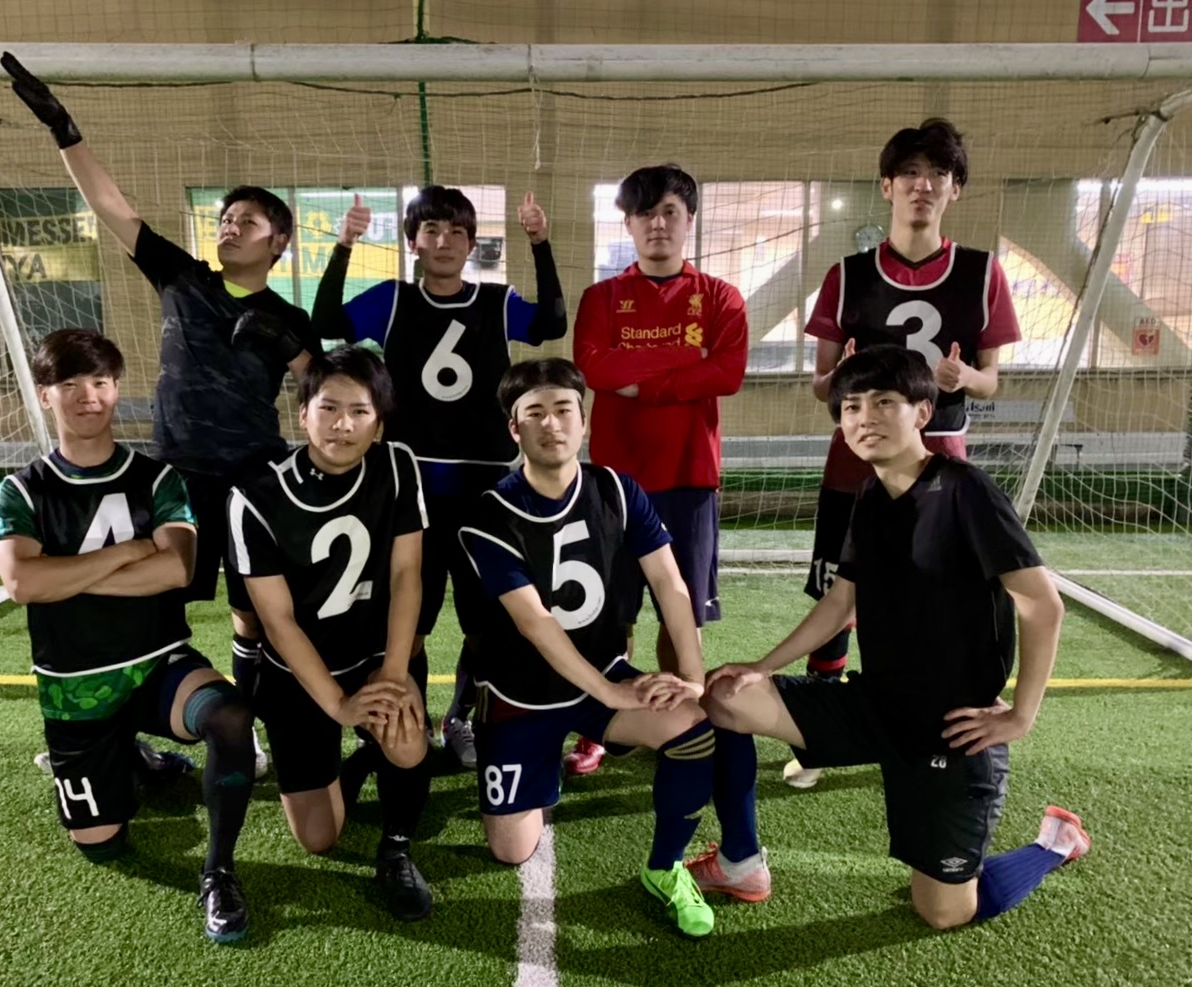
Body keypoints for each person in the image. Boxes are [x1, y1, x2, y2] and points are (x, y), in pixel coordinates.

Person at [3, 53, 320, 777]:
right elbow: (113, 208)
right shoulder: (183, 276)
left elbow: (322, 396)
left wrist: (297, 352)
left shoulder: (290, 317)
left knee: (256, 613)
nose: (230, 227)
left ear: (278, 242)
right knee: (149, 602)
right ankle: (116, 736)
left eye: (247, 221)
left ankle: (248, 734)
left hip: (254, 478)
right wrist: (63, 128)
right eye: (226, 218)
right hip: (174, 475)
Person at [704, 345, 1089, 931]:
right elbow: (841, 602)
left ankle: (1055, 843)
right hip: (875, 705)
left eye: (885, 402)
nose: (866, 418)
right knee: (726, 695)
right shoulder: (869, 496)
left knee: (943, 913)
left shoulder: (964, 489)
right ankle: (740, 861)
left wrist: (1021, 715)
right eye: (852, 406)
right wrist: (763, 665)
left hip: (951, 729)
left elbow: (1042, 605)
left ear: (923, 412)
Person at [458, 358, 767, 939]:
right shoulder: (488, 514)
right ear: (514, 428)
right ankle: (540, 761)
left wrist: (692, 674)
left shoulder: (618, 491)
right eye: (534, 413)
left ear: (584, 421)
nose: (552, 423)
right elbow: (535, 622)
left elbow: (671, 583)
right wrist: (610, 692)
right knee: (511, 851)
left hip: (601, 675)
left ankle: (664, 867)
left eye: (563, 409)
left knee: (695, 725)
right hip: (520, 697)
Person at [0, 330, 256, 943]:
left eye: (101, 382)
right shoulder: (21, 491)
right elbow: (23, 583)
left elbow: (177, 569)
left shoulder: (158, 480)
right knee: (100, 846)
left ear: (116, 389)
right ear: (45, 395)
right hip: (76, 687)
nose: (88, 396)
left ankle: (218, 872)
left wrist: (65, 577)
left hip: (158, 665)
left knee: (231, 717)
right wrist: (129, 552)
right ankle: (128, 755)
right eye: (70, 384)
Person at [791, 118, 1022, 788]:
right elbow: (820, 384)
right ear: (887, 185)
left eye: (938, 175)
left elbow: (991, 379)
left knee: (934, 599)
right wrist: (839, 379)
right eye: (910, 174)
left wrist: (964, 377)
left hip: (939, 461)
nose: (923, 186)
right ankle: (821, 731)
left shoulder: (981, 272)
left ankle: (933, 724)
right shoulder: (846, 274)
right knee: (836, 591)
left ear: (955, 189)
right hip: (854, 463)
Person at [313, 186, 566, 770]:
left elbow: (551, 322)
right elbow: (326, 322)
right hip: (412, 489)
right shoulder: (394, 299)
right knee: (409, 620)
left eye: (456, 232)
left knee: (488, 620)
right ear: (413, 243)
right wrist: (344, 244)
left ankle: (463, 717)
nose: (444, 241)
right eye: (431, 230)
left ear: (472, 244)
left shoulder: (496, 301)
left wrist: (540, 242)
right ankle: (411, 721)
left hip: (484, 490)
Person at [227, 345, 434, 921]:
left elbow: (407, 574)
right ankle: (359, 758)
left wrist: (393, 676)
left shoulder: (398, 466)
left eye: (360, 411)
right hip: (299, 673)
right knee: (319, 838)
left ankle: (396, 849)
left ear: (379, 422)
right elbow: (277, 620)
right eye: (329, 408)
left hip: (373, 657)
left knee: (405, 736)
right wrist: (339, 706)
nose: (343, 424)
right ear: (303, 414)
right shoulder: (254, 495)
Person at [570, 164, 748, 775]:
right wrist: (684, 360)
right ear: (628, 224)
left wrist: (640, 380)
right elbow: (595, 369)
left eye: (670, 211)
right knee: (608, 613)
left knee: (682, 613)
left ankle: (680, 717)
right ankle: (602, 725)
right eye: (645, 213)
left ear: (689, 219)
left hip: (689, 478)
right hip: (615, 484)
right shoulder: (601, 299)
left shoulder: (720, 297)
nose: (658, 224)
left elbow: (727, 372)